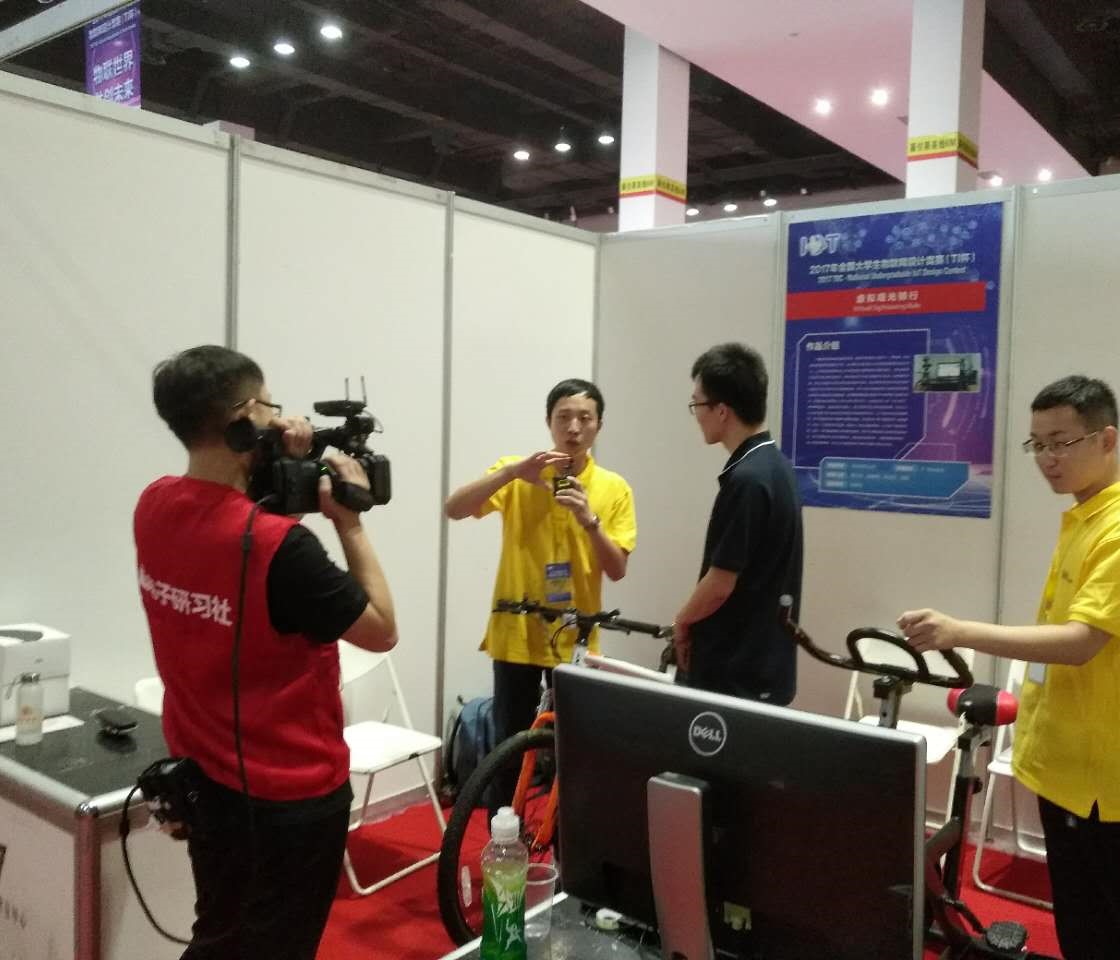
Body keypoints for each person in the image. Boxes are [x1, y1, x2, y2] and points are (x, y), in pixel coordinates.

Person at [135, 345, 397, 960]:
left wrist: (278, 463)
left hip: (203, 780)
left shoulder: (154, 504)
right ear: (246, 417)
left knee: (222, 932)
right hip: (288, 795)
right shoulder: (280, 548)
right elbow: (381, 629)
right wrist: (350, 522)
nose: (279, 417)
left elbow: (233, 531)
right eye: (269, 407)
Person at [898, 375, 1120, 960]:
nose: (1048, 458)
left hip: (1095, 770)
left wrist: (959, 631)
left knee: (1093, 928)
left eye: (1061, 443)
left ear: (1106, 440)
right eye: (1038, 445)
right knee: (1078, 916)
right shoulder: (1089, 515)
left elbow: (1080, 642)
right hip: (1066, 755)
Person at [444, 379, 636, 750]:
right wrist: (510, 473)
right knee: (510, 745)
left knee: (574, 746)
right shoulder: (518, 473)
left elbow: (616, 570)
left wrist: (589, 521)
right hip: (517, 631)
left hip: (576, 636)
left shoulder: (615, 488)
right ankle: (509, 793)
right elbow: (454, 509)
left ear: (599, 425)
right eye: (563, 417)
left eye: (585, 418)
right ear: (549, 422)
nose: (574, 428)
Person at [673, 342, 804, 705]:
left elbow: (720, 583)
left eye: (697, 404)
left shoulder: (747, 480)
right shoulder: (776, 466)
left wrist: (682, 622)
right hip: (766, 665)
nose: (696, 415)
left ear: (721, 410)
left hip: (736, 673)